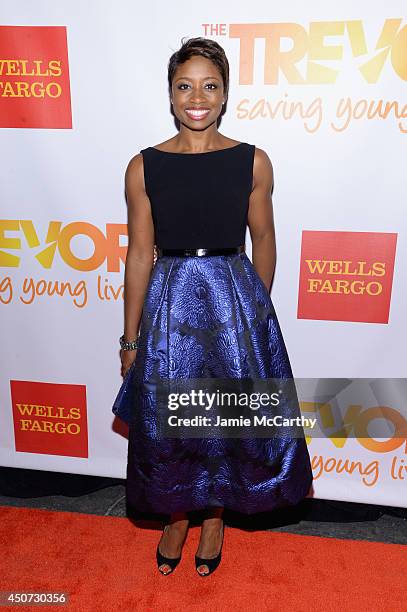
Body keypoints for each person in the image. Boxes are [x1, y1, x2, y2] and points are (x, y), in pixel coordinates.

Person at [112, 36, 313, 577]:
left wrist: (254, 315)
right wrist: (130, 339)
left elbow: (264, 240)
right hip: (172, 305)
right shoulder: (144, 166)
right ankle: (177, 517)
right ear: (171, 95)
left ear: (224, 95)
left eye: (209, 86)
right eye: (185, 86)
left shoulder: (252, 161)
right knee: (175, 420)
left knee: (226, 419)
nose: (196, 97)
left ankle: (217, 516)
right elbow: (137, 256)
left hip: (233, 304)